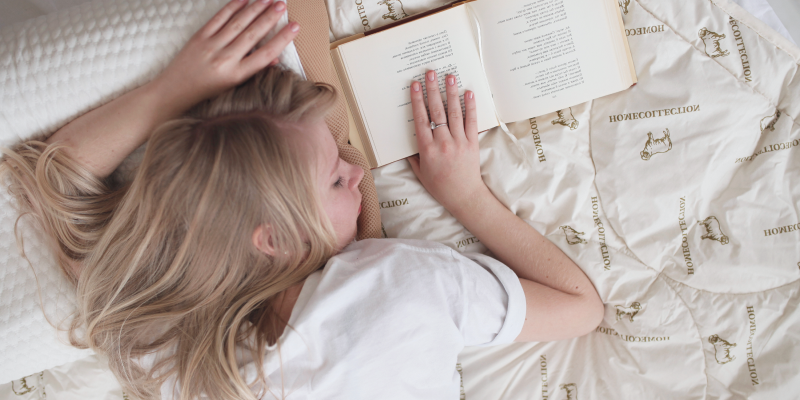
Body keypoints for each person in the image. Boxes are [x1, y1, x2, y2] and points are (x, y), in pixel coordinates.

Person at [0, 0, 604, 399]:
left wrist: (172, 90)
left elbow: (61, 176)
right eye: (338, 179)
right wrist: (466, 195)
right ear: (274, 238)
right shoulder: (400, 288)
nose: (359, 168)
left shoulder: (179, 351)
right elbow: (581, 308)